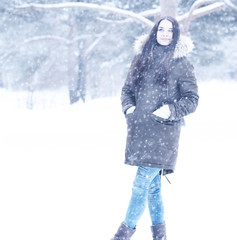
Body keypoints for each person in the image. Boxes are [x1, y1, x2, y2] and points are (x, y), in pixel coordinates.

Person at [111, 16, 199, 240]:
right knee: (152, 188)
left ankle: (122, 234)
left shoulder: (182, 63)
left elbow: (192, 99)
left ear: (175, 34)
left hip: (164, 134)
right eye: (162, 29)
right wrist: (130, 109)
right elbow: (127, 90)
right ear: (155, 32)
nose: (166, 33)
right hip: (140, 131)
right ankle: (160, 236)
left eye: (170, 30)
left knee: (141, 183)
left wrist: (170, 110)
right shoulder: (140, 59)